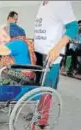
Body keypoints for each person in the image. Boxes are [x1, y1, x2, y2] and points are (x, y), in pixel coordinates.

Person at [34, 1, 78, 129]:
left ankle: (42, 122)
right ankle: (38, 115)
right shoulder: (43, 4)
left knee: (47, 89)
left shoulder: (61, 2)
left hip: (51, 56)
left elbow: (73, 27)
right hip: (39, 53)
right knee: (38, 88)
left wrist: (57, 48)